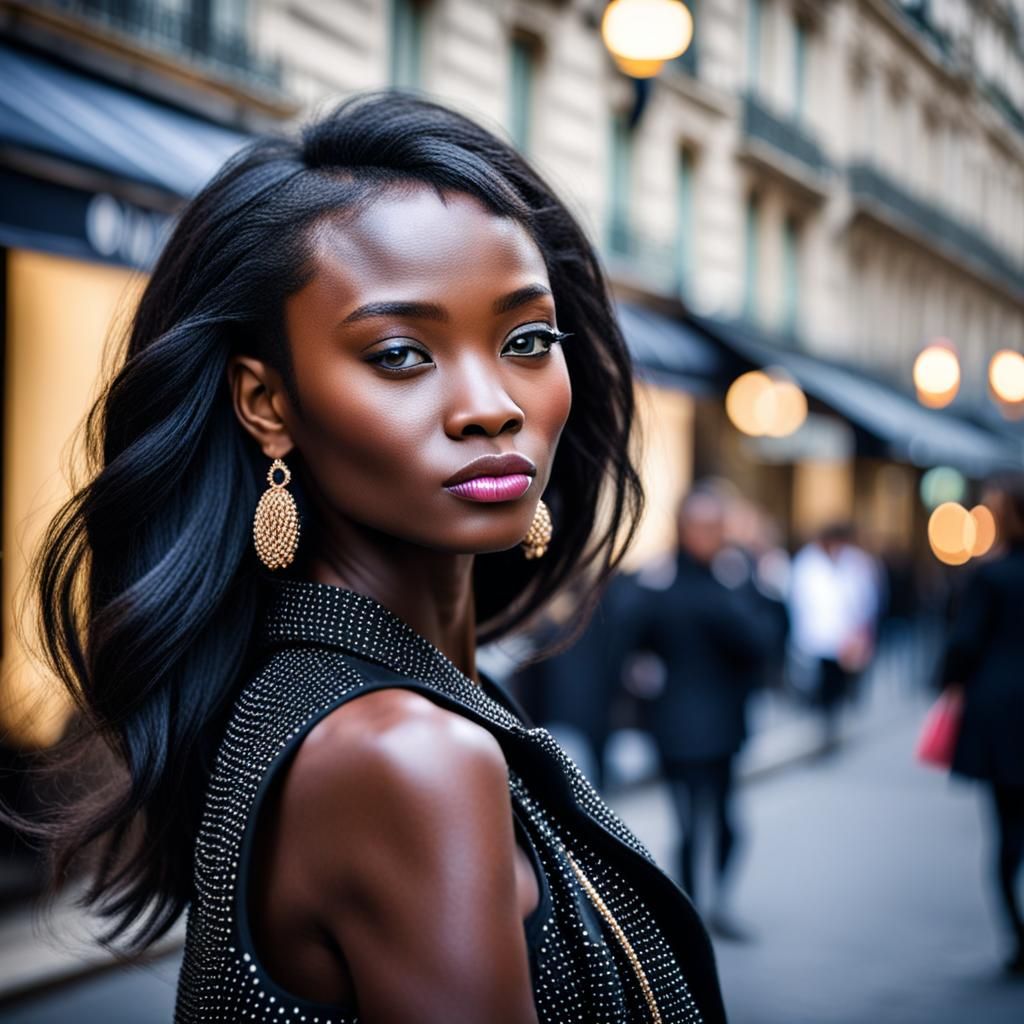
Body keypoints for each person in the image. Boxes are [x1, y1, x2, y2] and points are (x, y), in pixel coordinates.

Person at [15, 93, 727, 1023]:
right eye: (399, 355)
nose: (491, 406)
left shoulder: (329, 691)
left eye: (526, 341)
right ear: (267, 402)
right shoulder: (406, 755)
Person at [632, 487, 771, 939]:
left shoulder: (735, 580)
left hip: (725, 722)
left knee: (728, 823)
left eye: (715, 526)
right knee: (690, 825)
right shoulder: (659, 583)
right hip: (676, 723)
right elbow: (632, 646)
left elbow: (762, 642)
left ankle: (718, 905)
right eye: (700, 526)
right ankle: (692, 916)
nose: (708, 535)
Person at [939, 473, 1024, 976]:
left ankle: (1017, 935)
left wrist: (947, 682)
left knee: (1007, 831)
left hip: (1001, 714)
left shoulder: (991, 578)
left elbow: (963, 645)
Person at [786, 522, 881, 750]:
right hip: (815, 637)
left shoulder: (855, 562)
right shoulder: (806, 563)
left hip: (844, 639)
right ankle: (823, 725)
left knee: (837, 685)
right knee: (818, 686)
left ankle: (832, 725)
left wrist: (860, 631)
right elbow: (798, 602)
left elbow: (866, 599)